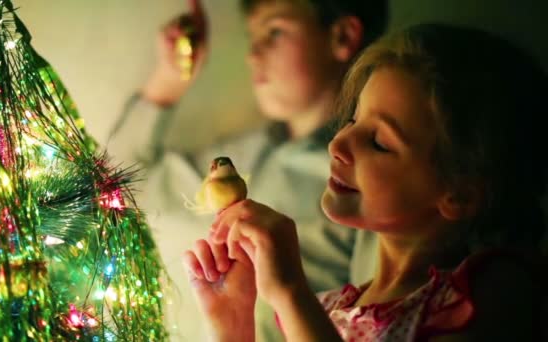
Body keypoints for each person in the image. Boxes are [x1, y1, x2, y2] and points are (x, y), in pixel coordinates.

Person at [183, 23, 548, 341]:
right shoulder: (334, 310)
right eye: (352, 121)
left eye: (379, 142)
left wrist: (290, 293)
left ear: (461, 192)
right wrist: (232, 327)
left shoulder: (494, 292)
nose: (337, 144)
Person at [107, 0, 387, 340]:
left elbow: (379, 322)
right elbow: (115, 187)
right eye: (250, 38)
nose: (252, 56)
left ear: (342, 37)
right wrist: (168, 79)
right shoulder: (239, 157)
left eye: (274, 32)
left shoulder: (366, 183)